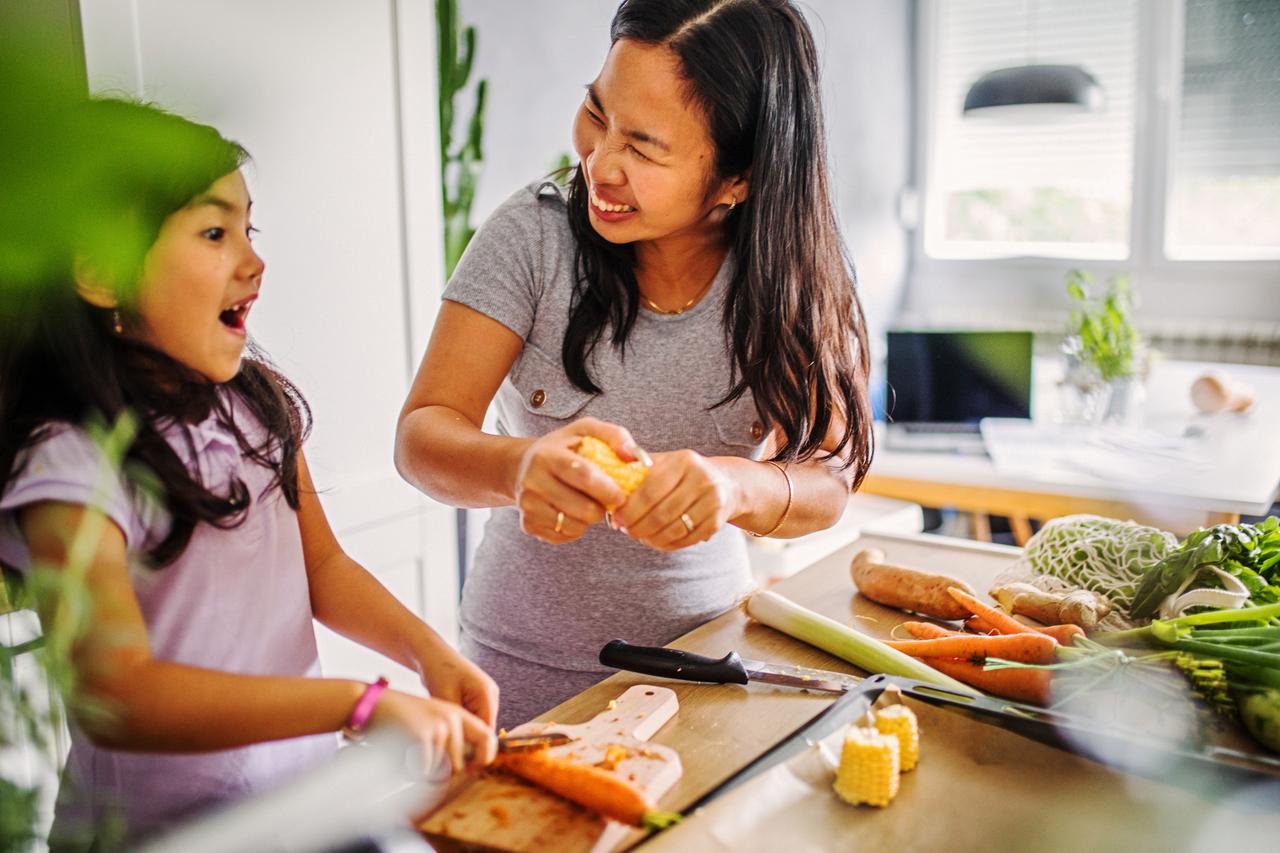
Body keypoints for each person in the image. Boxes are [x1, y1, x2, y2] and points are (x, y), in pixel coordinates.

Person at [0, 98, 498, 848]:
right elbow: (120, 691)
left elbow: (323, 568)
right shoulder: (71, 464)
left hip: (295, 810)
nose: (253, 262)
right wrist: (355, 705)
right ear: (100, 273)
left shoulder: (255, 408)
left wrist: (431, 652)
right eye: (212, 232)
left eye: (248, 229)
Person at [395, 0, 874, 728]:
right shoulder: (533, 235)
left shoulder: (792, 272)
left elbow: (829, 481)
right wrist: (518, 467)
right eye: (596, 113)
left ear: (738, 178)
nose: (600, 163)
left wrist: (735, 484)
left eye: (645, 148)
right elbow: (421, 435)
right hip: (522, 670)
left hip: (705, 660)